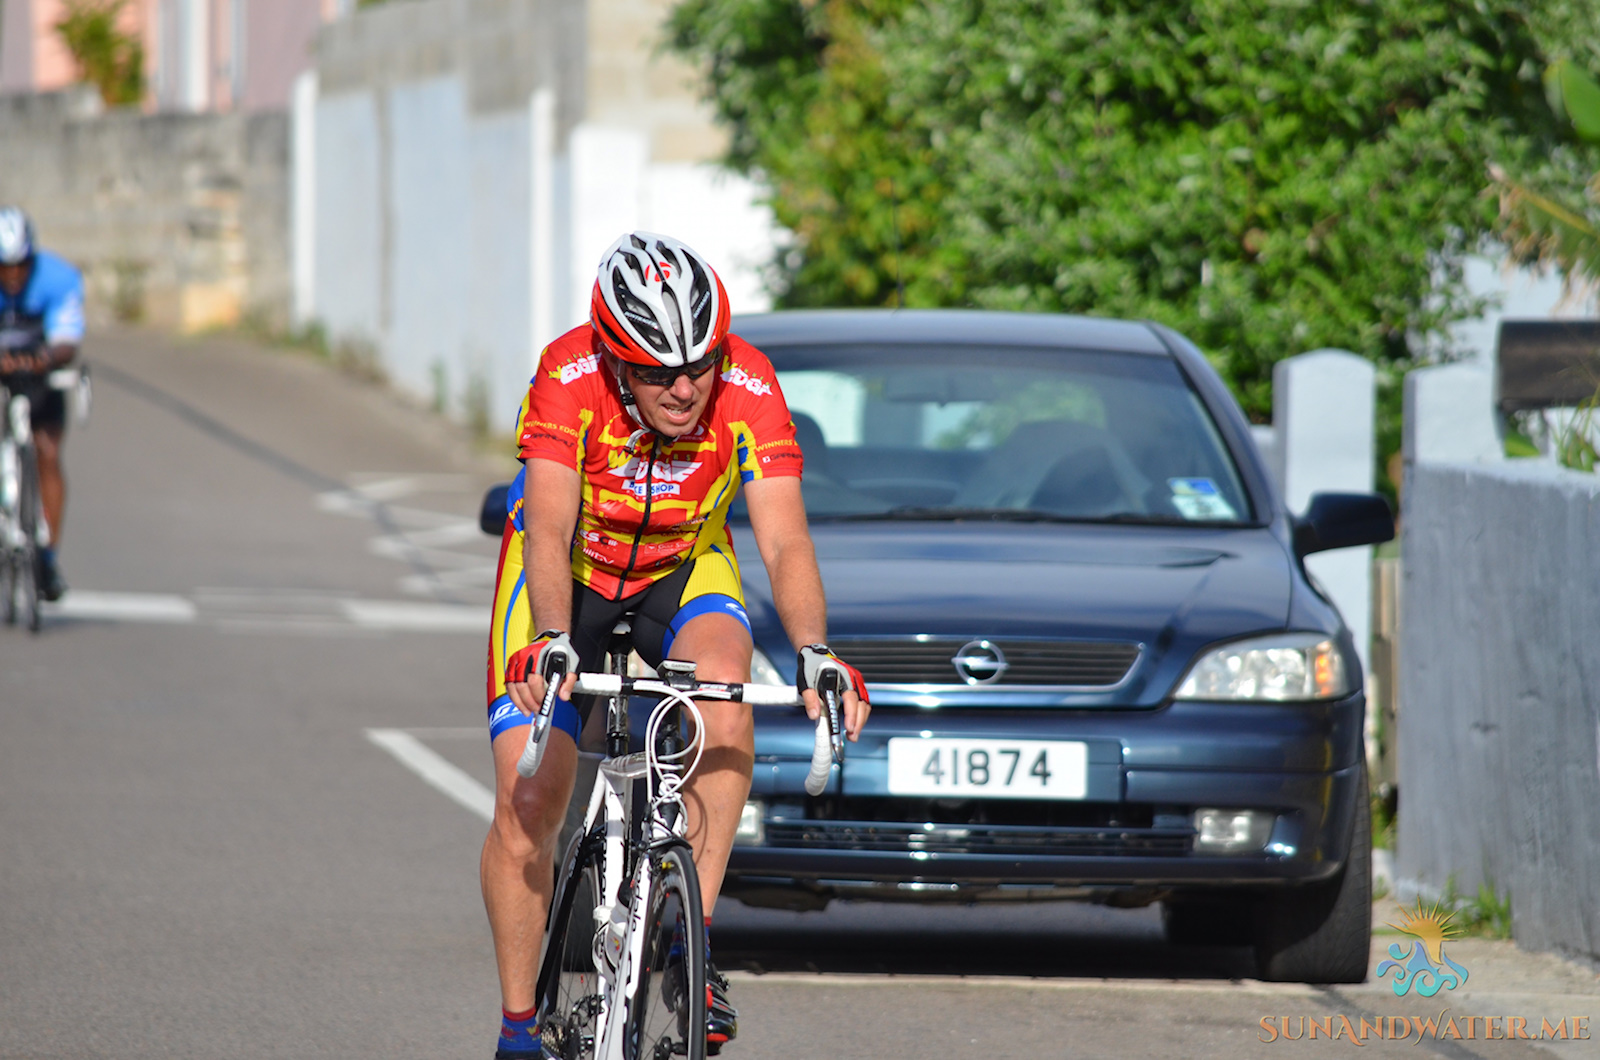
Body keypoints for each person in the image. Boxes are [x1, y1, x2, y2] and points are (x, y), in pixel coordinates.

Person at [481, 232, 870, 1058]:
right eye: (659, 373)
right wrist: (550, 638)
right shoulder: (568, 373)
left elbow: (785, 540)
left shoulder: (749, 383)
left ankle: (685, 944)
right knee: (530, 803)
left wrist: (816, 651)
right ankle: (518, 1027)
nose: (687, 388)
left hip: (682, 566)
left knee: (726, 703)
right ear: (616, 360)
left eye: (700, 364)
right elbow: (546, 523)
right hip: (570, 575)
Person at [0, 207, 83, 601]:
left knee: (48, 451)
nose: (14, 275)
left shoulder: (58, 278)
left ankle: (47, 557)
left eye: (21, 265)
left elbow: (67, 341)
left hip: (40, 371)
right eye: (5, 268)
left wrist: (46, 358)